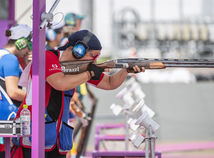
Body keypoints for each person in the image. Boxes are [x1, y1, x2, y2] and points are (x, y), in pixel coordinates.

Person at [15, 30, 144, 158]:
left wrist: (125, 70)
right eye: (93, 55)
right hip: (35, 134)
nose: (95, 60)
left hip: (57, 137)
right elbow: (60, 83)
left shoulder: (81, 68)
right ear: (79, 50)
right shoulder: (48, 56)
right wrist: (89, 74)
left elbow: (110, 83)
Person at [0, 24, 32, 157]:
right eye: (28, 46)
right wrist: (35, 98)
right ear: (21, 43)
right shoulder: (10, 59)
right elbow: (13, 92)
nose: (29, 50)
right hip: (9, 119)